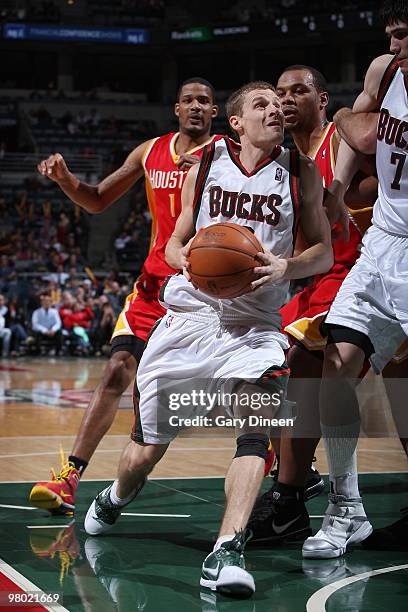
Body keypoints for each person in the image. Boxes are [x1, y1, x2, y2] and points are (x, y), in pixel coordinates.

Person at [83, 81, 333, 598]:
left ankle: (226, 551)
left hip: (255, 325)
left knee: (256, 431)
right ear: (236, 122)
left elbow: (325, 254)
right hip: (191, 317)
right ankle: (116, 493)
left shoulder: (300, 172)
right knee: (144, 453)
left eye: (278, 104)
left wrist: (288, 264)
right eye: (261, 105)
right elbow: (177, 239)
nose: (275, 110)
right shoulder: (208, 159)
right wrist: (191, 262)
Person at [29, 78, 219, 515]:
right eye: (188, 100)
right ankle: (70, 479)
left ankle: (275, 467)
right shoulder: (149, 152)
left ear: (215, 112)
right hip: (154, 287)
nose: (195, 107)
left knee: (221, 389)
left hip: (208, 292)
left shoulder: (228, 154)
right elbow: (96, 201)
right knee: (116, 370)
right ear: (176, 108)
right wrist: (65, 179)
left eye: (204, 101)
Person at [247, 65, 380, 543]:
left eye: (298, 91)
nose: (286, 99)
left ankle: (290, 494)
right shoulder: (278, 155)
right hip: (304, 282)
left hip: (354, 272)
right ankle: (294, 484)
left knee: (305, 362)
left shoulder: (341, 145)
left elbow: (383, 182)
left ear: (322, 100)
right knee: (279, 377)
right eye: (279, 92)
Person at [302, 0, 408, 559]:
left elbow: (361, 131)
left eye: (405, 36)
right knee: (337, 360)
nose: (395, 47)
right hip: (383, 242)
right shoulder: (385, 69)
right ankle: (346, 509)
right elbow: (356, 139)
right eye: (391, 35)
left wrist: (342, 115)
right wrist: (339, 189)